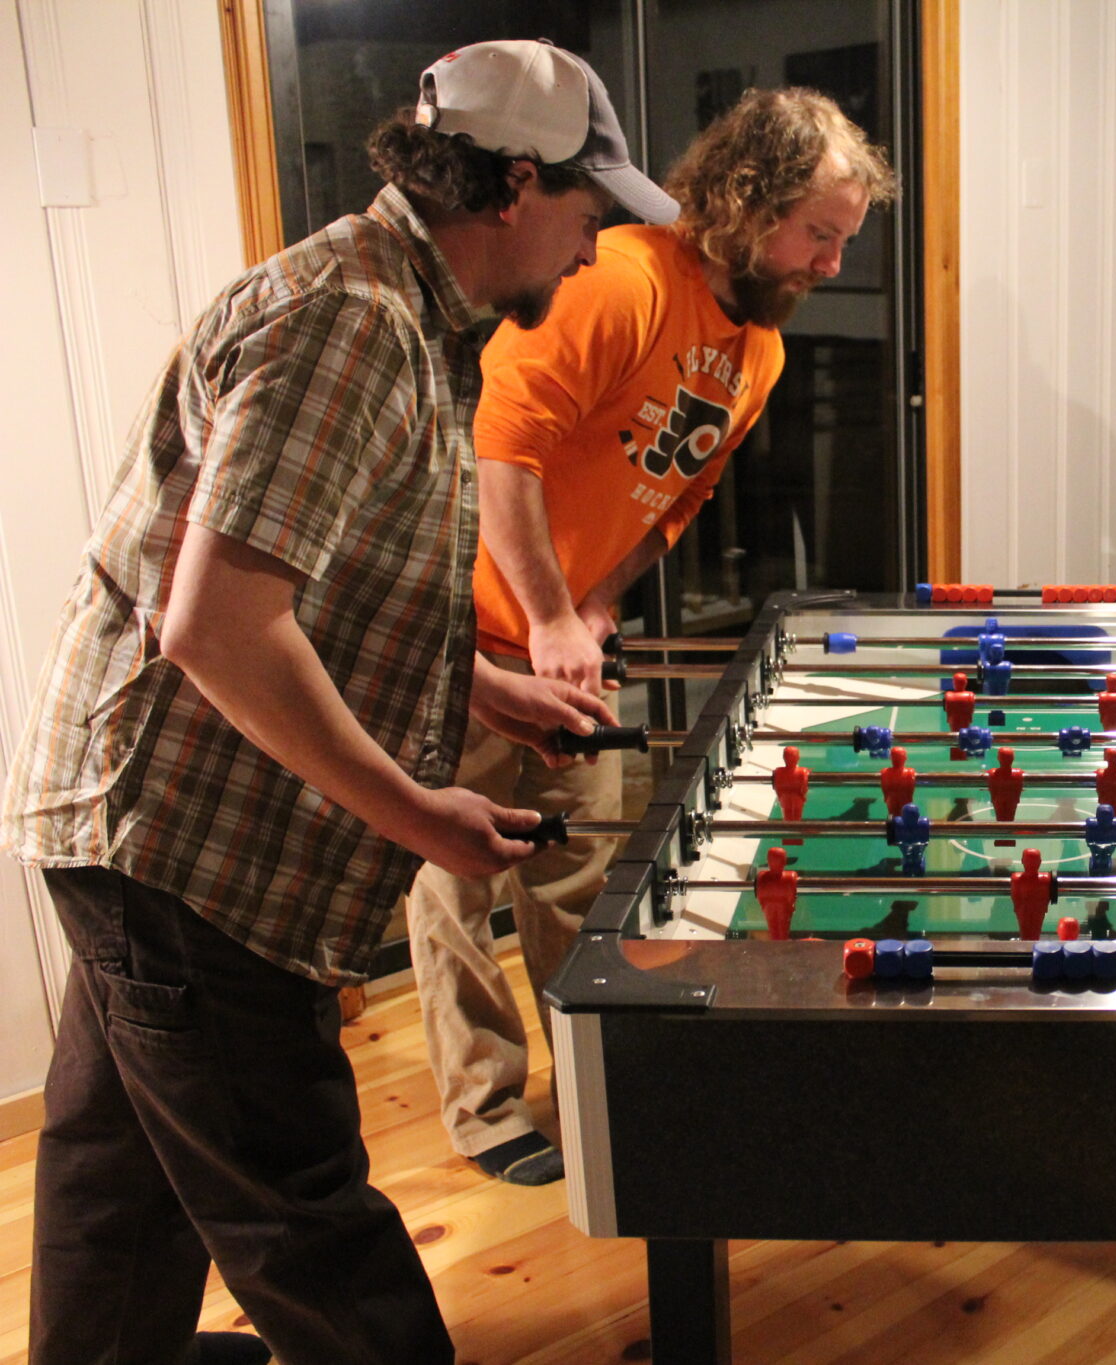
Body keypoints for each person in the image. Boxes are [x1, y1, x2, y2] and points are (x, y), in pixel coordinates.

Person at [0, 39, 668, 1365]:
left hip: (139, 825)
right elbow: (219, 628)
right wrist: (421, 814)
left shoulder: (393, 306)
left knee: (116, 1181)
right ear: (516, 185)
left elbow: (314, 592)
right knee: (305, 1214)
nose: (594, 250)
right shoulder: (355, 323)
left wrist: (485, 687)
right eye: (590, 215)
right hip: (184, 843)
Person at [404, 87, 897, 1185]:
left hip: (564, 641)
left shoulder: (757, 349)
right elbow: (502, 450)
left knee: (577, 875)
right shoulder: (620, 278)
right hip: (468, 635)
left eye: (842, 240)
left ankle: (587, 1076)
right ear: (747, 200)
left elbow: (668, 497)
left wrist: (592, 606)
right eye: (818, 233)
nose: (828, 262)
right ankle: (484, 1110)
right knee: (454, 889)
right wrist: (539, 616)